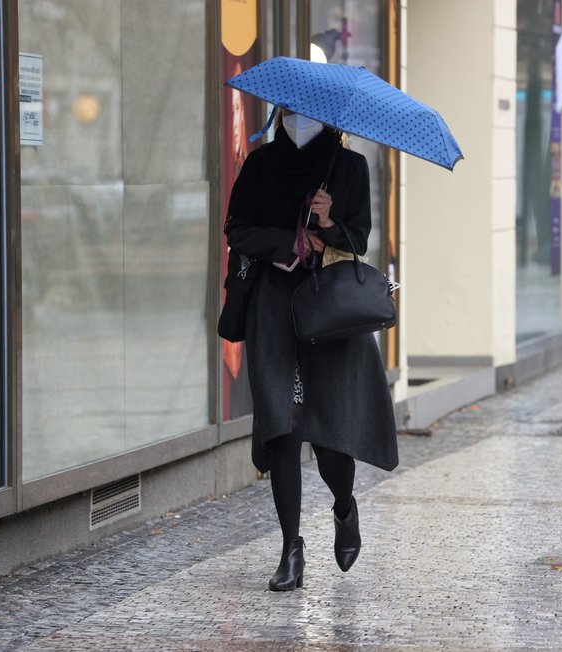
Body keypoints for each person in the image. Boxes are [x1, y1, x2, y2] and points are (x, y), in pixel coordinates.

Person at [224, 109, 399, 591]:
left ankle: (344, 507)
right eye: (291, 114)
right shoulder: (259, 165)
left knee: (328, 438)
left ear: (326, 120)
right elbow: (236, 229)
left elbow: (358, 239)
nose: (298, 122)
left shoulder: (349, 167)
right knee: (283, 427)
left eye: (308, 116)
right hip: (272, 310)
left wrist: (327, 220)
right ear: (280, 114)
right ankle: (290, 550)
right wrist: (289, 244)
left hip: (329, 311)